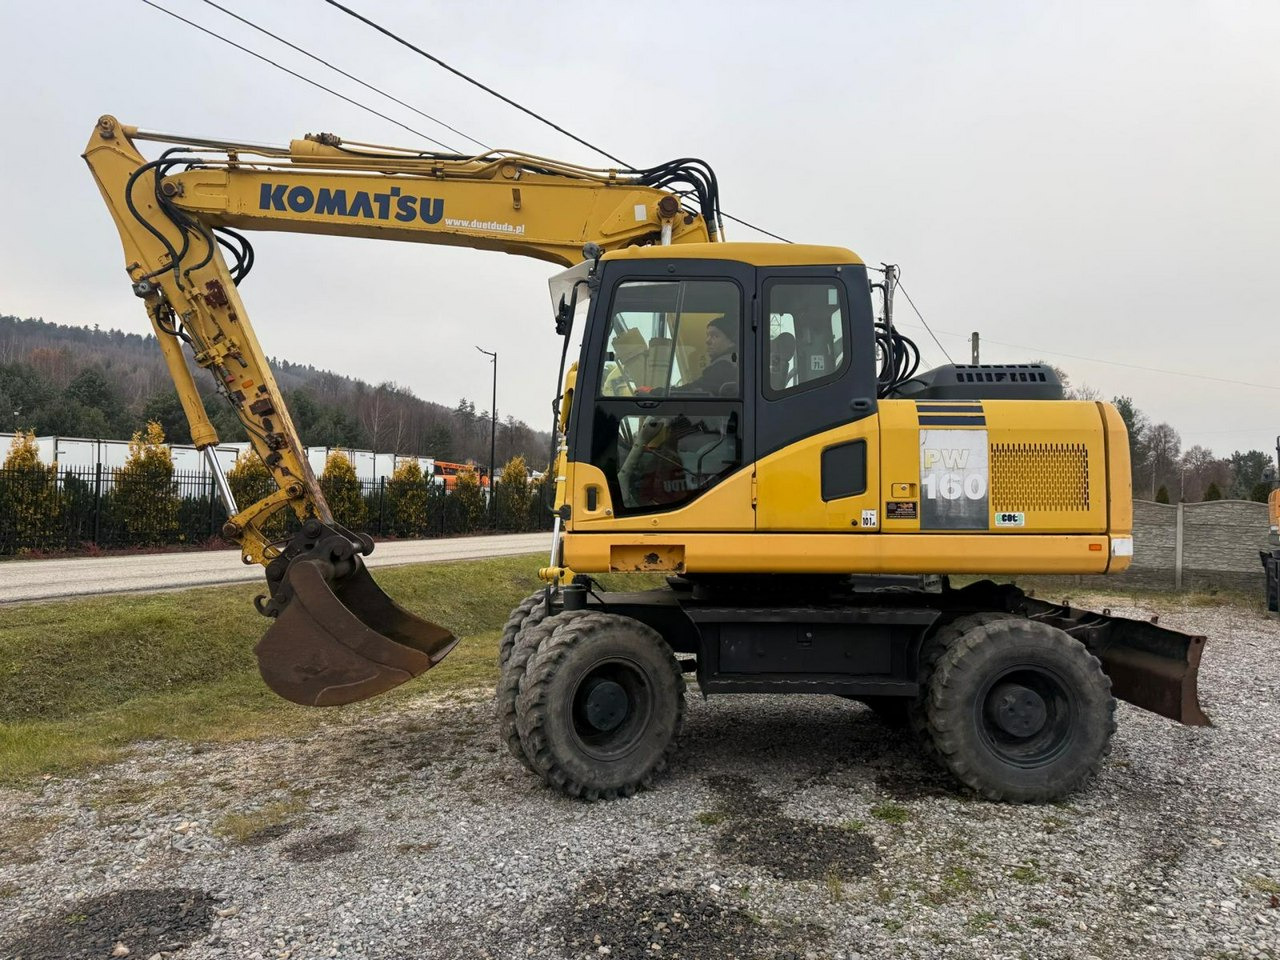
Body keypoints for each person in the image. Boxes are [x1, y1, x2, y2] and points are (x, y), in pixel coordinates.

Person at [678, 315, 738, 396]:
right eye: (708, 336)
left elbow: (696, 389)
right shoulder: (734, 361)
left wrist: (662, 393)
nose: (707, 341)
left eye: (715, 336)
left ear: (731, 342)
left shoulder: (724, 366)